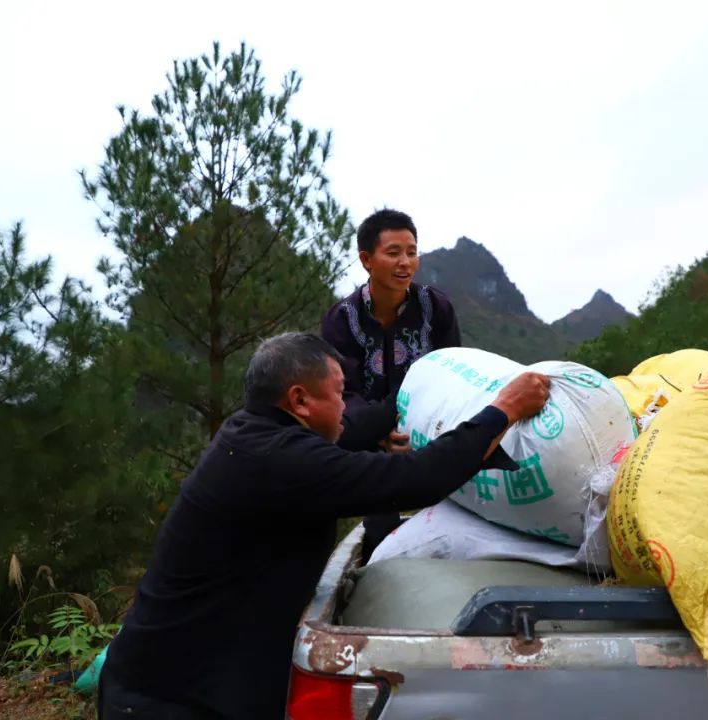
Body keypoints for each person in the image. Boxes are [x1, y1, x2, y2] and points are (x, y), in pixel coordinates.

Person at [99, 332, 549, 719]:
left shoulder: (252, 433)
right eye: (338, 391)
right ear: (299, 400)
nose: (343, 403)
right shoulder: (281, 462)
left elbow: (349, 425)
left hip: (179, 682)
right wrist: (502, 409)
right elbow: (417, 479)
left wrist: (418, 394)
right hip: (169, 701)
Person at [321, 209, 462, 558]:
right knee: (381, 535)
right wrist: (379, 432)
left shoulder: (435, 308)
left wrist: (425, 430)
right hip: (372, 442)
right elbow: (344, 393)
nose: (406, 263)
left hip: (432, 432)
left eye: (412, 252)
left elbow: (454, 371)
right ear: (367, 260)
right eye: (394, 252)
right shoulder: (343, 320)